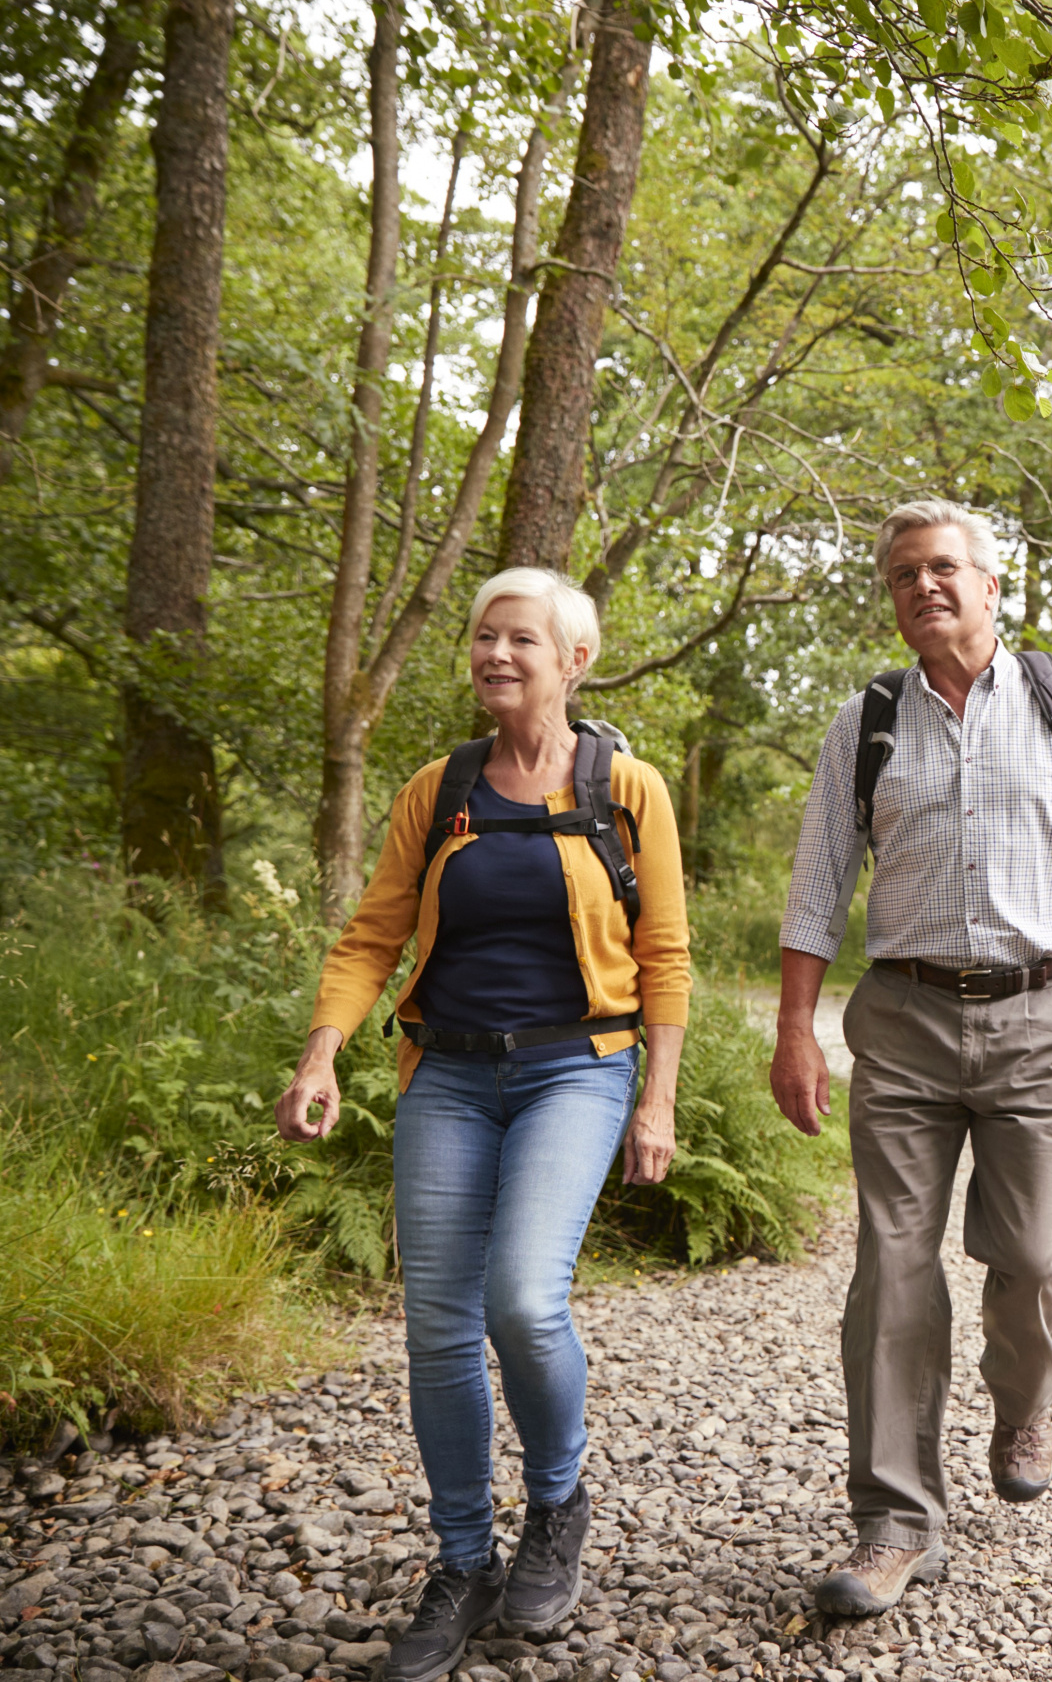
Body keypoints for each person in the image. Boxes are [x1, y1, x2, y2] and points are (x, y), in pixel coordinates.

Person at [274, 567, 692, 1682]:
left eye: (520, 639)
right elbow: (372, 936)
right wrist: (323, 1055)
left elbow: (665, 960)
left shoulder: (629, 789)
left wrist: (657, 1100)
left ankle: (557, 1502)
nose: (494, 655)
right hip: (446, 1077)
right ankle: (462, 1561)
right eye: (482, 638)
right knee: (438, 1330)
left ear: (575, 659)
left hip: (577, 1070)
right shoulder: (440, 787)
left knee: (522, 1297)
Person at [770, 499, 1052, 1616]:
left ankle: (1023, 1399)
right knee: (892, 1269)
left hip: (1042, 1019)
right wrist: (794, 1030)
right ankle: (895, 1523)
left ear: (993, 587)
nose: (924, 587)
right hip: (901, 1025)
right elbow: (816, 890)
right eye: (903, 574)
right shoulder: (870, 720)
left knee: (1035, 1258)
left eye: (945, 568)